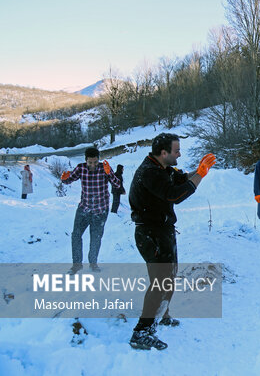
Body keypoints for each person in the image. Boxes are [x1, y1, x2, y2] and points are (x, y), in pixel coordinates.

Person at [128, 133, 216, 351]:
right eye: (176, 150)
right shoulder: (149, 173)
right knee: (159, 282)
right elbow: (175, 195)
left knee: (169, 276)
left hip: (163, 231)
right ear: (164, 152)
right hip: (151, 234)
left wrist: (198, 170)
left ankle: (162, 314)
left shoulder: (162, 168)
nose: (179, 154)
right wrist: (201, 177)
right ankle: (141, 331)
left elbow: (181, 179)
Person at [61, 147, 120, 273]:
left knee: (96, 238)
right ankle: (77, 264)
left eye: (95, 162)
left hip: (100, 210)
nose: (92, 165)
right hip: (84, 208)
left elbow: (117, 185)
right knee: (76, 235)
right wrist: (64, 178)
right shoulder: (81, 168)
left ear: (98, 159)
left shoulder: (104, 169)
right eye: (90, 162)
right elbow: (69, 180)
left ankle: (93, 263)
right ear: (86, 160)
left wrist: (110, 173)